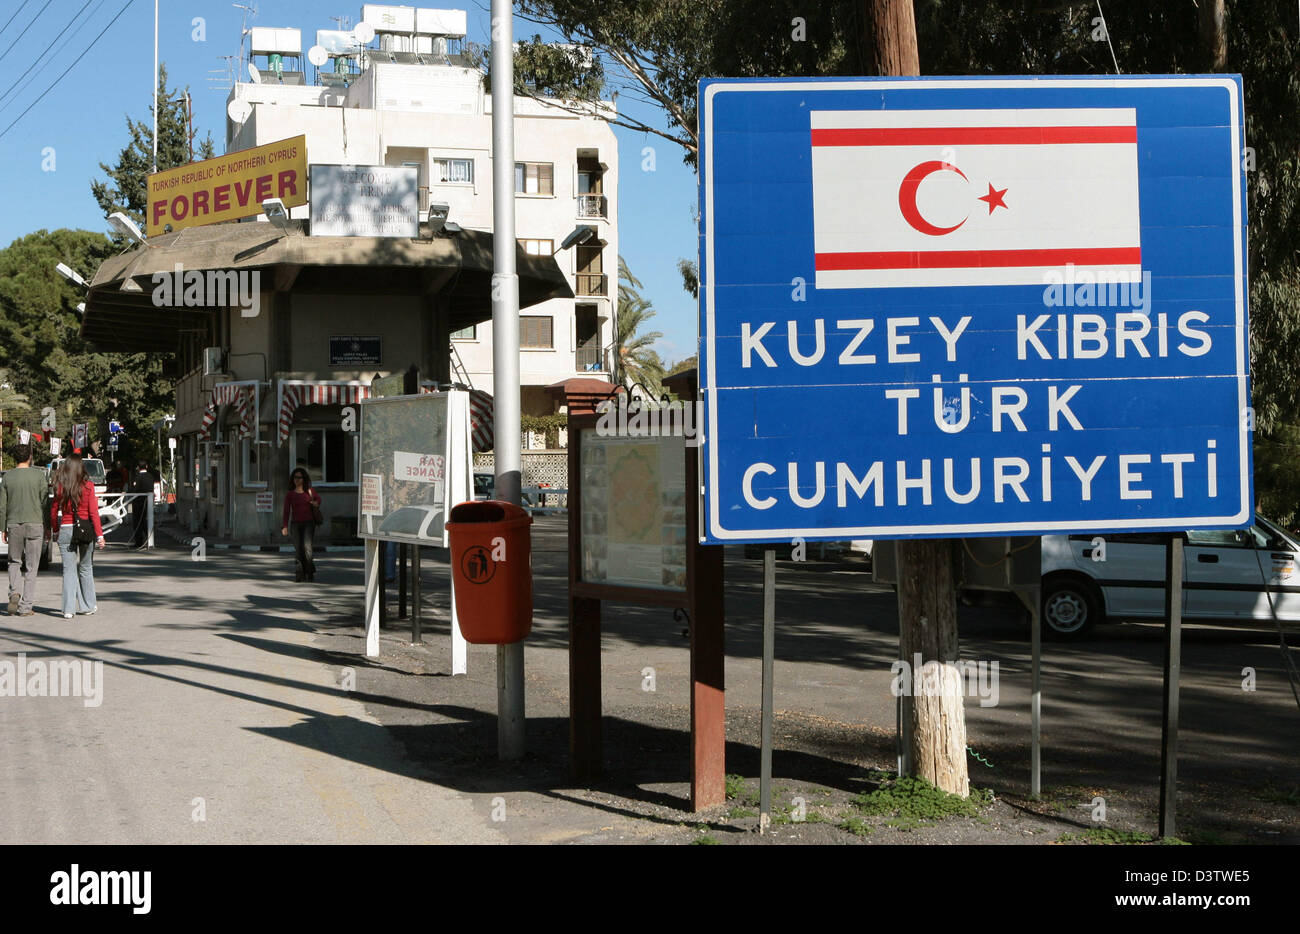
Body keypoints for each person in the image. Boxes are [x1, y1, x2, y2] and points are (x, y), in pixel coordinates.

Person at [49, 454, 104, 619]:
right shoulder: (88, 486)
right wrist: (100, 535)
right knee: (86, 568)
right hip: (85, 530)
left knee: (68, 570)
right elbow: (93, 512)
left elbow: (53, 511)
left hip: (65, 529)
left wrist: (55, 529)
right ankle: (87, 606)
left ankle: (68, 609)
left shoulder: (60, 487)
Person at [1, 443, 49, 617]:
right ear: (29, 457)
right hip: (35, 523)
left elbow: (2, 506)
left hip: (14, 524)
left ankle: (14, 592)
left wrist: (3, 528)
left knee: (14, 562)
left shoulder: (7, 477)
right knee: (32, 566)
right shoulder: (39, 475)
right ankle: (25, 606)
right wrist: (49, 526)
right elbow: (45, 503)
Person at [281, 467, 322, 582]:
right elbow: (286, 511)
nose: (297, 480)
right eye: (295, 477)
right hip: (295, 524)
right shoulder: (290, 494)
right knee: (298, 549)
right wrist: (284, 526)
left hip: (309, 523)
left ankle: (309, 571)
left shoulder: (309, 491)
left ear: (304, 479)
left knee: (307, 548)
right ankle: (300, 573)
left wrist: (316, 503)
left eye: (299, 477)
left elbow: (319, 499)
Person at [128, 462, 153, 548]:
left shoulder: (138, 477)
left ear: (138, 467)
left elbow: (135, 489)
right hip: (148, 502)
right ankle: (150, 538)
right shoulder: (150, 476)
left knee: (138, 522)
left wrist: (127, 492)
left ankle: (139, 541)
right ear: (146, 466)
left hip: (138, 502)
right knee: (146, 520)